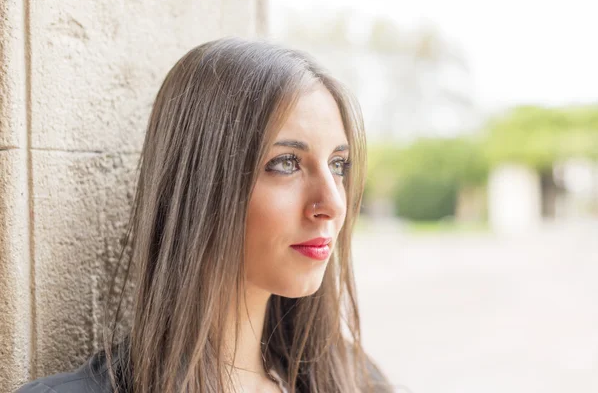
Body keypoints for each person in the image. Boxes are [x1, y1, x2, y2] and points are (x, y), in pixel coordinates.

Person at [16, 37, 393, 393]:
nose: (332, 203)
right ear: (200, 184)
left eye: (339, 164)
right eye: (286, 163)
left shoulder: (359, 382)